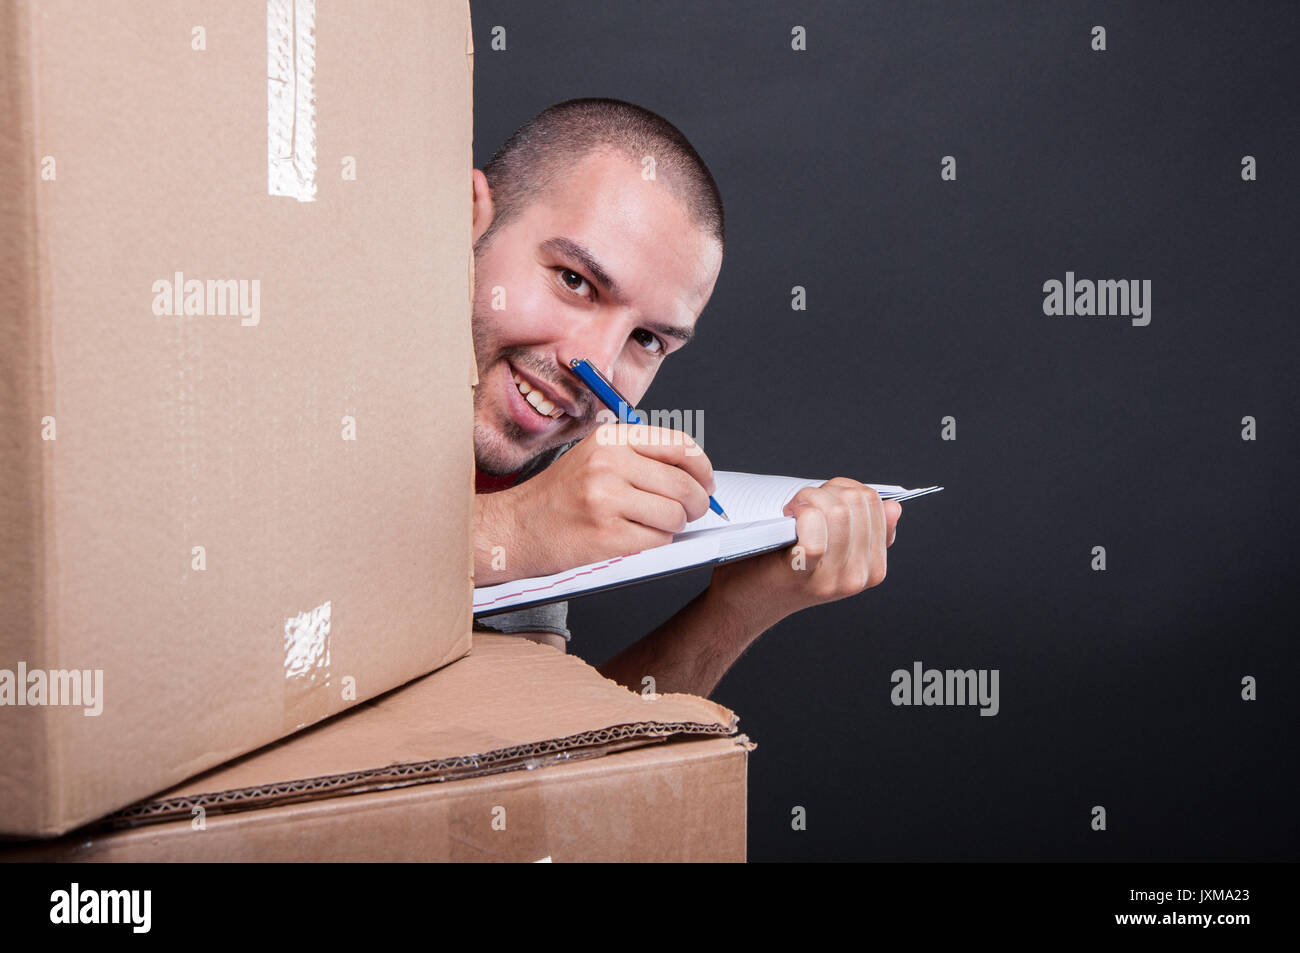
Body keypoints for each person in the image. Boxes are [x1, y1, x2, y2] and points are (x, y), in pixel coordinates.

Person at [470, 98, 901, 699]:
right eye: (575, 281)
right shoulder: (316, 374)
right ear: (465, 221)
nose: (589, 365)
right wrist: (516, 532)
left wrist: (740, 606)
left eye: (646, 339)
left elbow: (533, 754)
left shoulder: (541, 469)